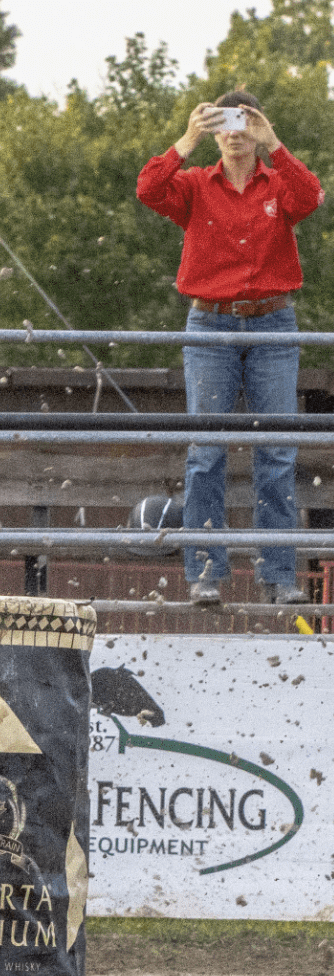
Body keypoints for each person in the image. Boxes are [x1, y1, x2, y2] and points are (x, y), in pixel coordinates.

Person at [136, 89, 325, 607]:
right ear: (213, 129)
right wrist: (186, 139)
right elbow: (149, 189)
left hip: (273, 324)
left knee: (278, 453)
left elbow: (311, 198)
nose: (236, 130)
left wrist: (276, 144)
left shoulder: (279, 182)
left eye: (245, 121)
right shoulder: (196, 183)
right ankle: (205, 573)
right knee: (205, 453)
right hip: (210, 325)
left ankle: (280, 575)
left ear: (258, 126)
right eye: (224, 121)